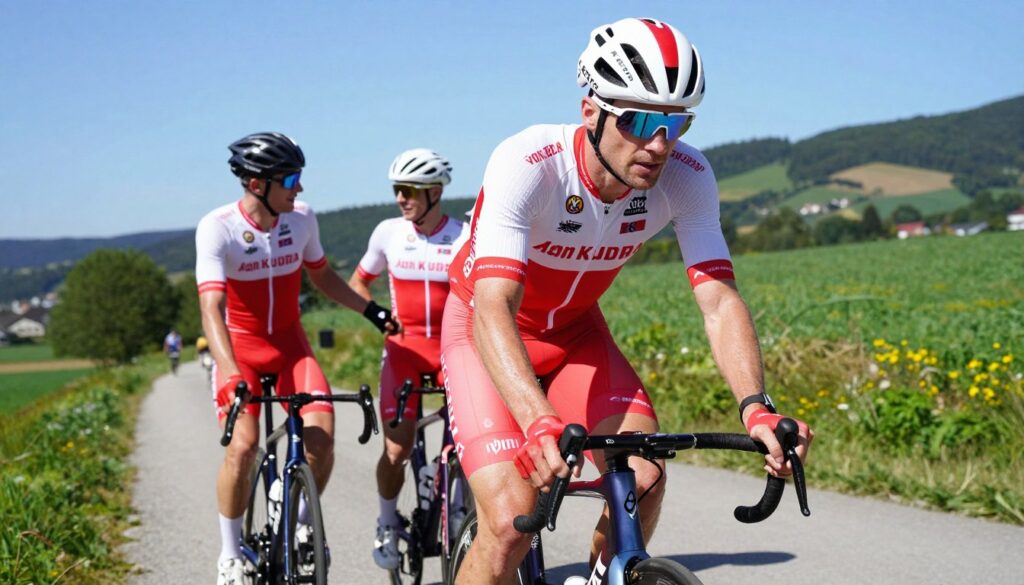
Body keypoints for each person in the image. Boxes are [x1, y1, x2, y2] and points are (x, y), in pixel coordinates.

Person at [441, 17, 813, 585]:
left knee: (642, 477)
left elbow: (718, 300)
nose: (659, 144)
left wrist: (756, 408)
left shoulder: (687, 176)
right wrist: (538, 420)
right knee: (511, 522)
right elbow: (494, 307)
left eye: (675, 123)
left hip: (575, 334)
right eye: (638, 121)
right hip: (484, 331)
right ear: (590, 112)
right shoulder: (529, 164)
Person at [196, 131, 400, 585]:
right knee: (243, 447)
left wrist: (371, 311)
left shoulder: (302, 219)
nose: (300, 187)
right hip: (241, 351)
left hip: (291, 347)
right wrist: (229, 372)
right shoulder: (218, 228)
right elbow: (211, 308)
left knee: (322, 441)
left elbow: (323, 277)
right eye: (289, 179)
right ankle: (230, 554)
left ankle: (302, 520)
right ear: (256, 184)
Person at [347, 148, 469, 570]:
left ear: (435, 192)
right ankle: (386, 521)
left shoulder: (464, 235)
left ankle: (458, 507)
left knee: (465, 446)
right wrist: (379, 315)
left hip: (452, 349)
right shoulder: (388, 233)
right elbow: (357, 283)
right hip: (404, 351)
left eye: (410, 190)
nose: (401, 198)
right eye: (397, 189)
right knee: (397, 450)